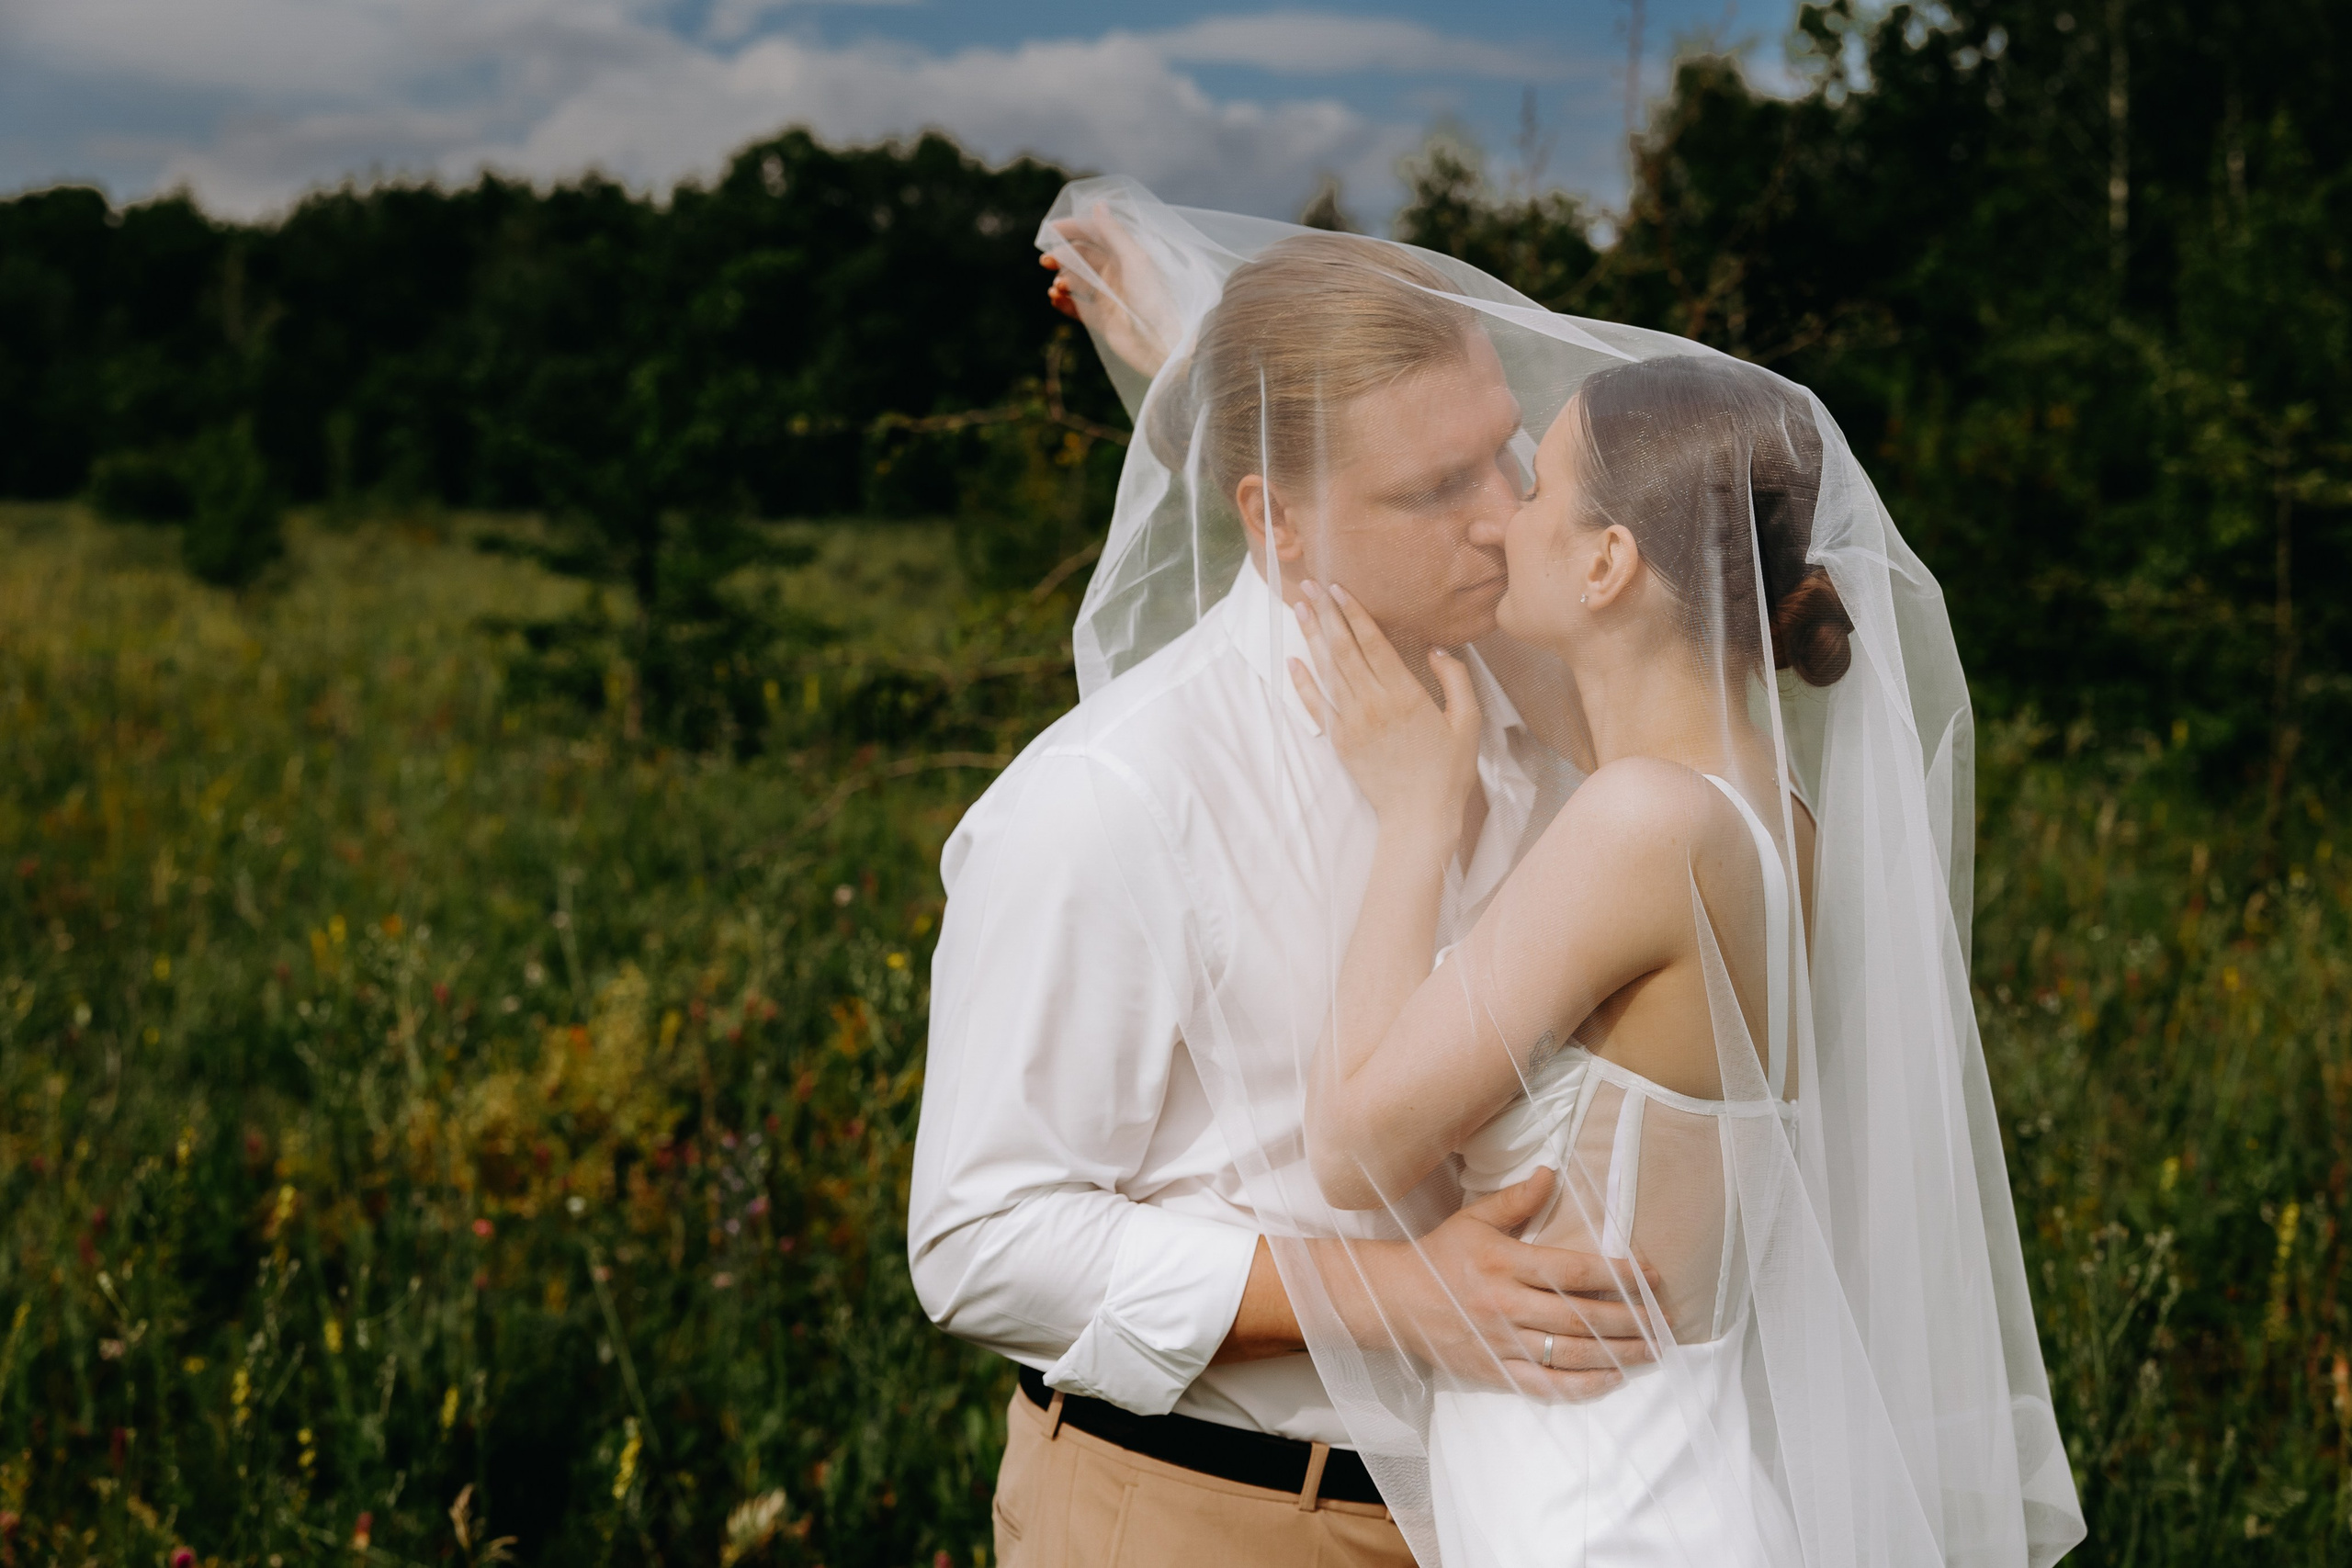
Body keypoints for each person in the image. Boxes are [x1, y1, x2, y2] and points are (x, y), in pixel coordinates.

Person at [908, 187, 1650, 1568]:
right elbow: (978, 1242)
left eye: (1504, 453)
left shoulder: (1559, 709)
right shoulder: (1107, 801)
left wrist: (1200, 360)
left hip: (1525, 1512)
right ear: (1277, 523)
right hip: (1209, 1515)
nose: (1505, 518)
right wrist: (1387, 1297)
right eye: (1438, 490)